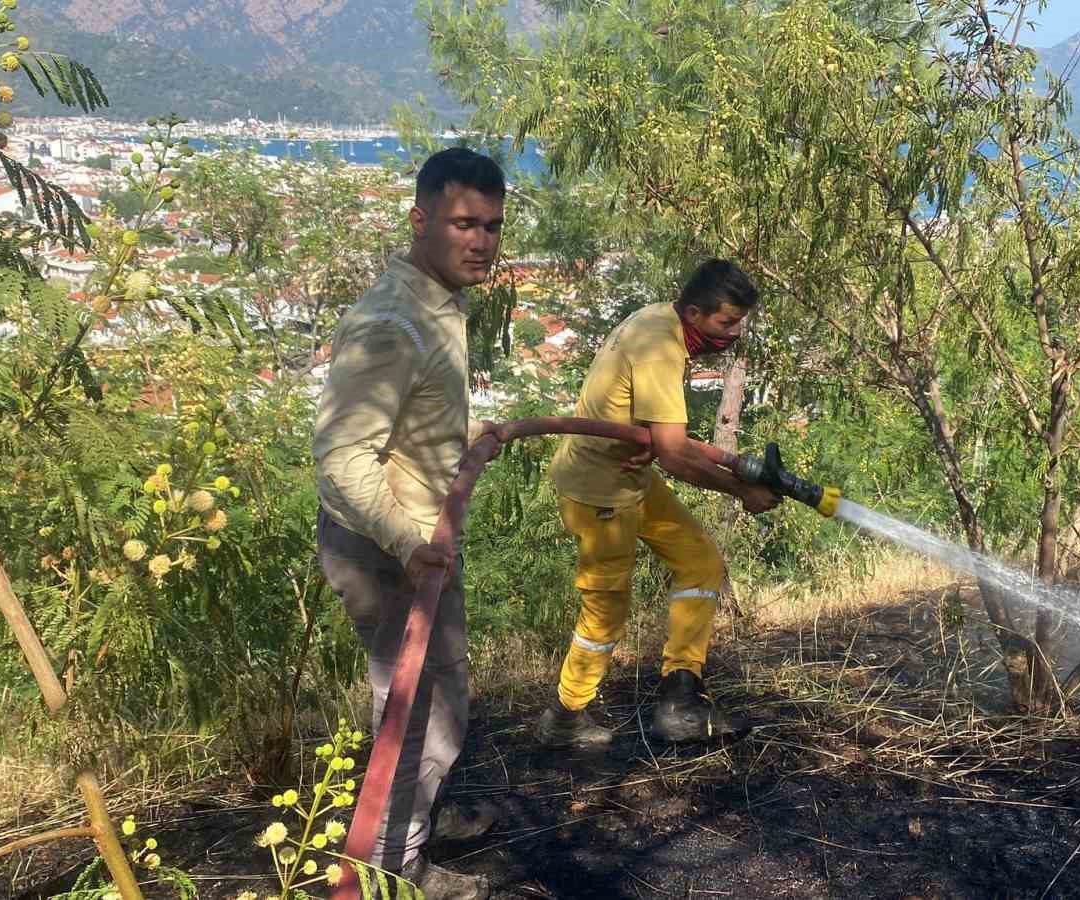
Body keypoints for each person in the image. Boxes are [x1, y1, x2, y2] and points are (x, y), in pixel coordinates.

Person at [314, 147, 507, 899]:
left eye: (492, 226)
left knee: (428, 699)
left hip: (413, 541)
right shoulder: (393, 322)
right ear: (420, 220)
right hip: (387, 550)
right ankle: (395, 869)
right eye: (464, 223)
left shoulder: (436, 303)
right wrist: (410, 542)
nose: (481, 241)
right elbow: (341, 458)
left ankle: (411, 824)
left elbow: (405, 431)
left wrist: (464, 448)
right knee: (421, 712)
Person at [535, 259, 781, 749]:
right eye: (726, 323)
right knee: (605, 613)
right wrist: (743, 490)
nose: (734, 333)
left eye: (739, 323)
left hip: (629, 476)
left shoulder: (657, 318)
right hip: (599, 491)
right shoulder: (660, 348)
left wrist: (656, 439)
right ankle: (564, 717)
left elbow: (659, 434)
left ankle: (680, 700)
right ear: (694, 312)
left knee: (700, 561)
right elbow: (675, 455)